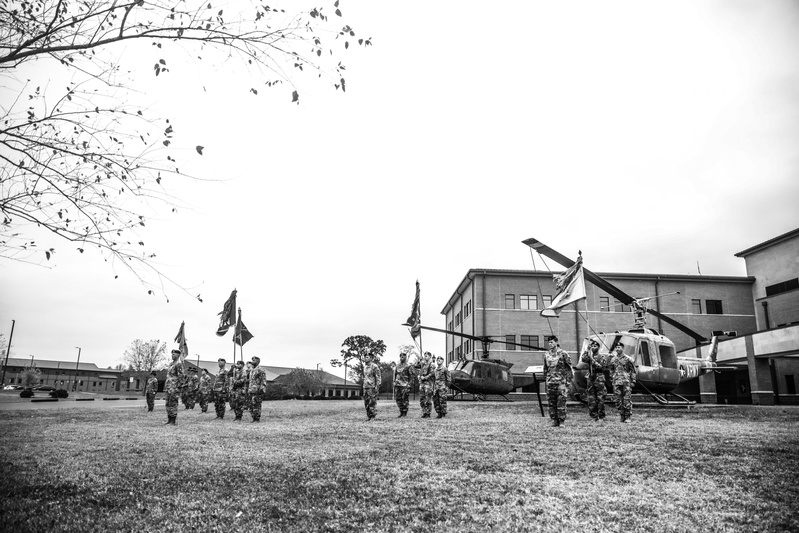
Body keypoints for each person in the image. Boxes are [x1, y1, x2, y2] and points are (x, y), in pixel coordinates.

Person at [543, 335, 573, 427]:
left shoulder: (563, 354)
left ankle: (561, 421)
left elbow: (569, 368)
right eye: (549, 342)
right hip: (550, 382)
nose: (550, 344)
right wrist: (546, 379)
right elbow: (545, 368)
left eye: (552, 342)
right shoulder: (546, 354)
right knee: (551, 403)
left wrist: (568, 382)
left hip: (561, 382)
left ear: (556, 342)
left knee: (561, 402)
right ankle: (554, 420)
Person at [578, 339, 609, 421]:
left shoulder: (602, 357)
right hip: (591, 378)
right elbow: (583, 359)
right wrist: (587, 350)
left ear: (598, 347)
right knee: (591, 398)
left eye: (595, 346)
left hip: (599, 378)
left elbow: (601, 367)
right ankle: (593, 416)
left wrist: (592, 359)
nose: (593, 348)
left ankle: (601, 416)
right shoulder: (589, 355)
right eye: (592, 346)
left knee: (600, 398)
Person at [609, 342, 637, 423]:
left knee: (626, 400)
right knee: (618, 400)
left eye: (619, 347)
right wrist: (612, 379)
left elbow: (633, 371)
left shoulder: (628, 359)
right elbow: (611, 370)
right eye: (616, 347)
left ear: (622, 348)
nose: (617, 349)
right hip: (616, 382)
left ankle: (627, 416)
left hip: (626, 382)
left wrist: (633, 381)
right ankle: (622, 415)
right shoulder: (613, 359)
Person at [164, 349, 185, 425]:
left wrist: (178, 388)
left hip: (174, 387)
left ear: (178, 355)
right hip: (168, 387)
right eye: (172, 354)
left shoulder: (178, 364)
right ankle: (169, 419)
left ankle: (173, 420)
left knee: (173, 403)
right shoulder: (171, 364)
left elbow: (181, 377)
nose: (172, 355)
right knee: (168, 403)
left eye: (174, 354)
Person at [393, 351, 414, 418]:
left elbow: (412, 376)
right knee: (398, 399)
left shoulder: (408, 366)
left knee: (404, 399)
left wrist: (409, 385)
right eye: (401, 356)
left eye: (403, 357)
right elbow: (395, 375)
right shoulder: (397, 366)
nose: (402, 358)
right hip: (398, 385)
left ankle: (405, 412)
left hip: (405, 385)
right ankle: (401, 411)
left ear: (406, 358)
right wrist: (394, 382)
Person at [362, 352, 381, 420]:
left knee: (372, 402)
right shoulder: (365, 367)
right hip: (365, 387)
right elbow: (365, 377)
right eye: (365, 357)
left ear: (371, 358)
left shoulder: (374, 366)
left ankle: (373, 416)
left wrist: (377, 387)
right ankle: (369, 416)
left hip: (372, 387)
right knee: (366, 402)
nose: (365, 358)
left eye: (367, 357)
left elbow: (378, 377)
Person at [248, 356, 267, 422]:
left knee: (256, 404)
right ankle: (253, 417)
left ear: (258, 361)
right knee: (251, 405)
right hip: (251, 390)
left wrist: (262, 388)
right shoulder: (252, 370)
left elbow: (263, 380)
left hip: (257, 390)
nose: (252, 362)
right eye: (252, 360)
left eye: (254, 360)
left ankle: (256, 418)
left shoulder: (260, 369)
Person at [417, 351, 435, 419]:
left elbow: (432, 373)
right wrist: (419, 376)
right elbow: (417, 368)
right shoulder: (423, 364)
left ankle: (428, 413)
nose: (425, 357)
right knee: (422, 399)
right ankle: (424, 412)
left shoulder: (432, 364)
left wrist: (425, 377)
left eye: (426, 356)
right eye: (424, 356)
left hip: (428, 384)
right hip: (422, 384)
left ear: (430, 356)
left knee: (428, 399)